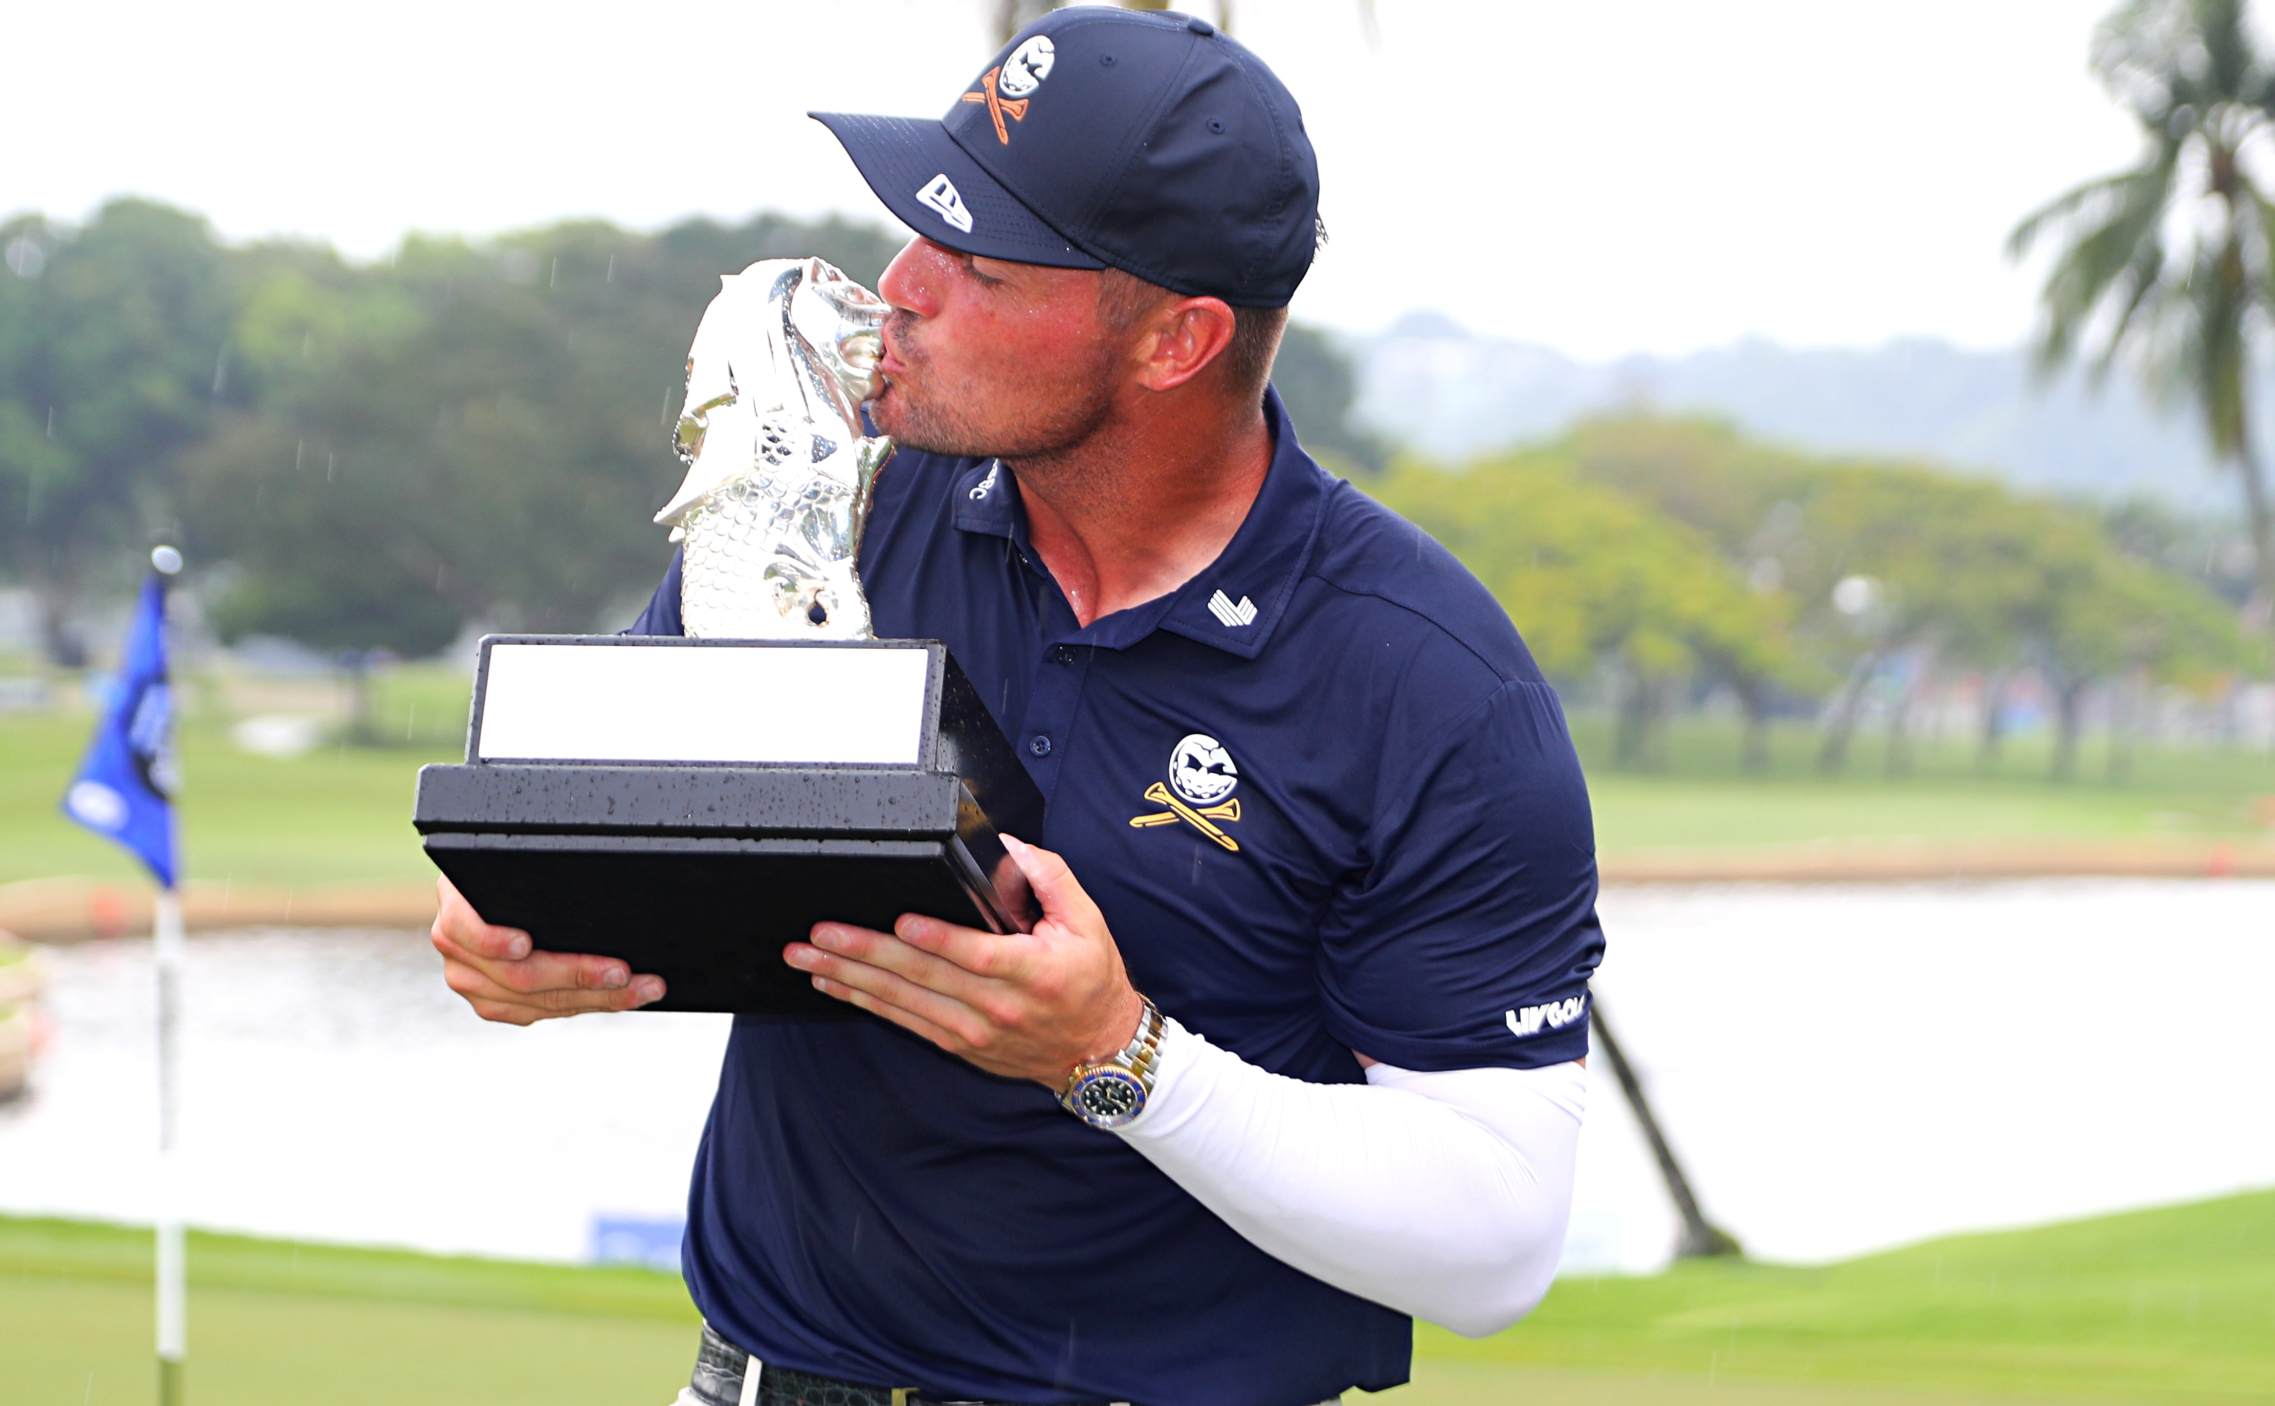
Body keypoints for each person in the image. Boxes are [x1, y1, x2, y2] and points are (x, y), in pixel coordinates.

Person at [432, 9, 1604, 1405]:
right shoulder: (832, 511)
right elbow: (624, 821)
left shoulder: (1429, 684)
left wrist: (1115, 1057)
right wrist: (522, 929)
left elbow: (1494, 1240)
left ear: (1178, 338)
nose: (901, 283)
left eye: (979, 263)